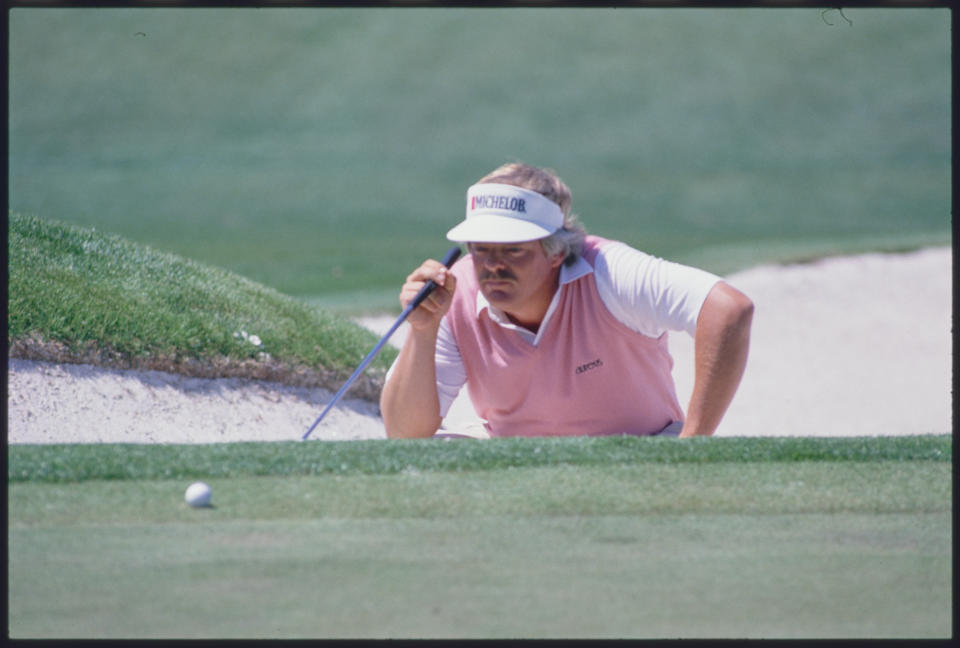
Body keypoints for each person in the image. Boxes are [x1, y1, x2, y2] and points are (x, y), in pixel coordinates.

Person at [380, 162, 753, 439]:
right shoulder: (454, 291)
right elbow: (404, 436)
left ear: (556, 251)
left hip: (644, 452)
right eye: (480, 248)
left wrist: (693, 447)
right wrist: (423, 331)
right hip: (519, 464)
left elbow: (728, 310)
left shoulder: (609, 271)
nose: (493, 266)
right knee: (428, 460)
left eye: (513, 250)